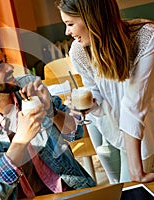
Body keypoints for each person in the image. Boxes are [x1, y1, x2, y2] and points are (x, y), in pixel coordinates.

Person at [0, 34, 96, 199]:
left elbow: (76, 132)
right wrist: (20, 140)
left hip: (68, 189)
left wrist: (51, 111)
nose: (10, 67)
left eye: (5, 60)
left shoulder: (28, 84)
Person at [58, 0, 154, 184]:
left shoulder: (146, 37)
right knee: (114, 185)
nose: (67, 32)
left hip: (140, 131)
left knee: (128, 190)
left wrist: (136, 171)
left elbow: (134, 105)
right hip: (108, 126)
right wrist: (87, 105)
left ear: (92, 19)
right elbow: (97, 97)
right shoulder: (79, 51)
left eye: (70, 24)